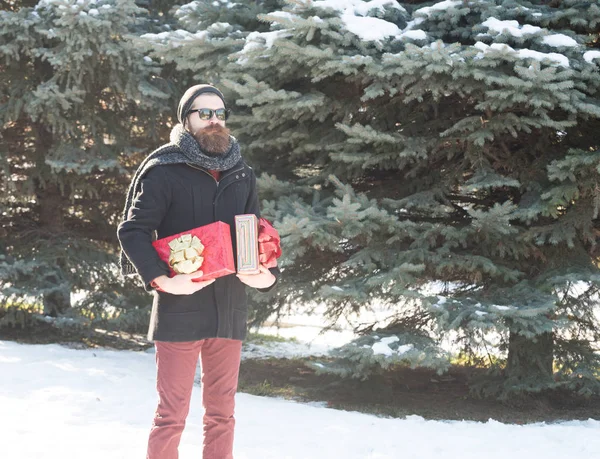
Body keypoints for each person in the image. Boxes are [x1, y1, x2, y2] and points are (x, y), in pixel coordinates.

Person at [117, 84, 279, 459]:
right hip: (180, 309)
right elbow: (133, 230)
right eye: (204, 113)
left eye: (219, 113)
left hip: (229, 309)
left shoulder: (241, 173)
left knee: (222, 415)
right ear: (186, 120)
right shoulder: (164, 171)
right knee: (171, 416)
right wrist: (164, 280)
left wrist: (268, 276)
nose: (213, 120)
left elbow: (257, 233)